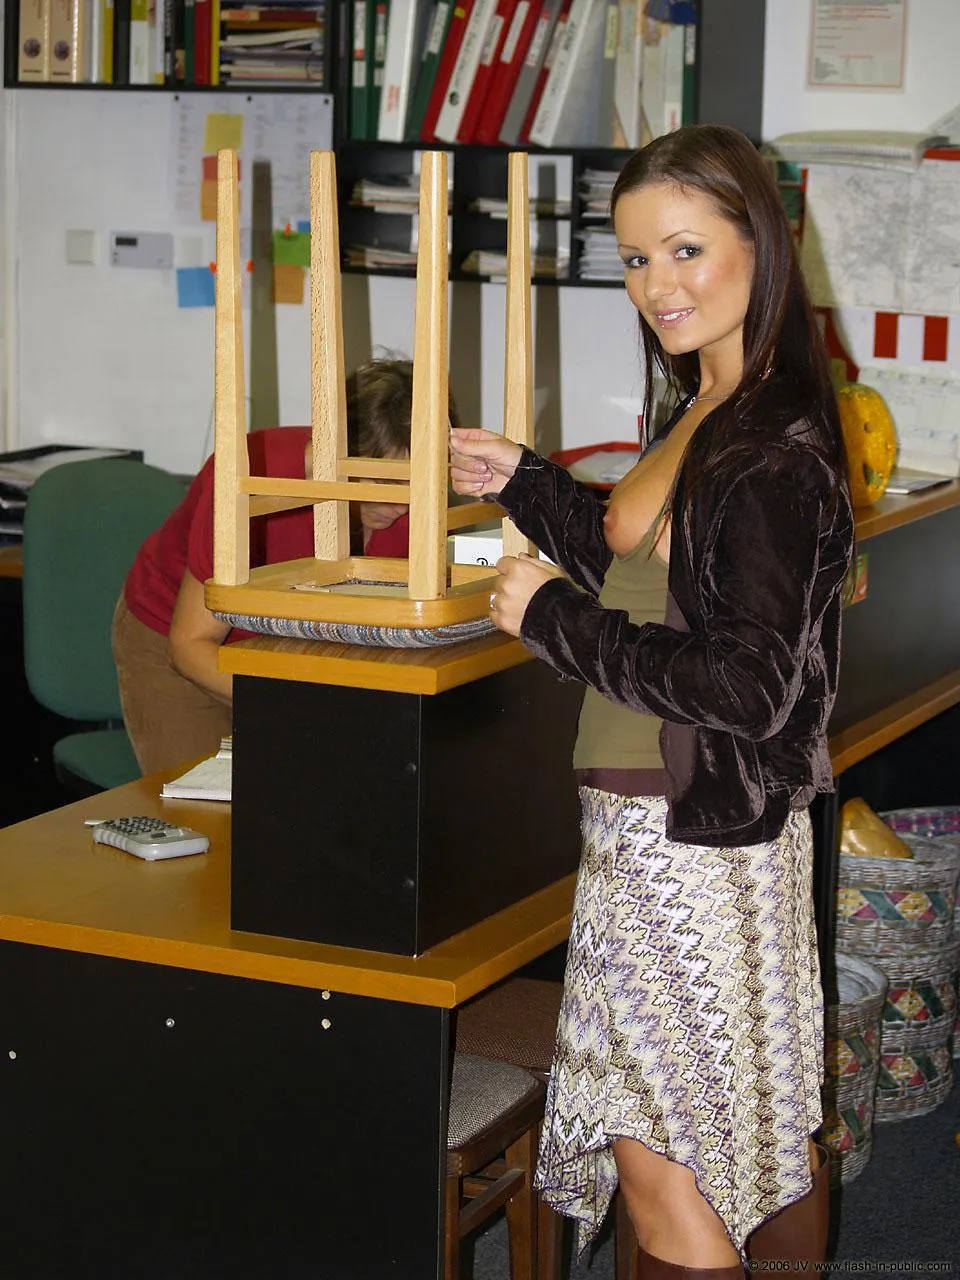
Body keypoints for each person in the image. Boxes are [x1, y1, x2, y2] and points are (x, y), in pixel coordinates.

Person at [450, 124, 854, 1279]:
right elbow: (642, 561)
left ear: (758, 244)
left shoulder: (767, 445)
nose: (656, 285)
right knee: (738, 1142)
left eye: (683, 251)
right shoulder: (714, 402)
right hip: (675, 826)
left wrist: (550, 622)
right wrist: (529, 483)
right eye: (634, 259)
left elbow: (746, 682)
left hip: (683, 838)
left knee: (666, 1160)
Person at [114, 357, 460, 775]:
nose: (398, 504)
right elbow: (189, 647)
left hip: (289, 651)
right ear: (339, 453)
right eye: (382, 482)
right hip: (178, 638)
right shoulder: (250, 479)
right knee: (205, 812)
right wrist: (303, 712)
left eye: (415, 484)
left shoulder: (413, 508)